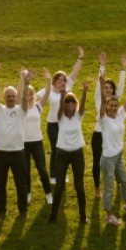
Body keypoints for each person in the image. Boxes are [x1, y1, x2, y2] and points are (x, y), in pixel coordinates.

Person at [95, 64, 126, 226]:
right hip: (108, 159)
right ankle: (109, 215)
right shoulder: (103, 119)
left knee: (125, 181)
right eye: (111, 106)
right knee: (108, 187)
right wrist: (101, 84)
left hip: (118, 155)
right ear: (107, 106)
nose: (113, 108)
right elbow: (101, 103)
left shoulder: (120, 114)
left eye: (115, 105)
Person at [0, 61, 31, 220]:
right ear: (4, 98)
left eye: (13, 96)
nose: (11, 98)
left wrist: (26, 82)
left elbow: (25, 98)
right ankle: (1, 212)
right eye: (8, 96)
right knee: (0, 185)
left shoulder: (21, 110)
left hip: (18, 153)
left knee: (21, 184)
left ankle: (23, 211)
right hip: (1, 153)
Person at [38, 47, 85, 183]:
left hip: (66, 124)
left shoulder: (68, 86)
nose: (61, 82)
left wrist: (80, 57)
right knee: (56, 150)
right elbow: (34, 98)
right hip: (53, 125)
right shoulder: (48, 91)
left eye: (63, 80)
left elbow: (75, 72)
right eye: (58, 80)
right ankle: (53, 175)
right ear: (54, 82)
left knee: (63, 150)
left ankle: (62, 174)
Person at [48, 78, 90, 224]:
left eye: (72, 101)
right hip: (62, 155)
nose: (70, 104)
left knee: (79, 186)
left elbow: (83, 105)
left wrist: (84, 93)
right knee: (59, 186)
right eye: (67, 102)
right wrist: (63, 94)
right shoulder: (60, 117)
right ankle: (53, 215)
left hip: (78, 154)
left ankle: (83, 216)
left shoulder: (78, 116)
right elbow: (60, 106)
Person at [91, 52, 126, 192]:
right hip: (98, 134)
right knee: (97, 161)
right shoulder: (98, 98)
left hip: (112, 135)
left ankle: (117, 182)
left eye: (110, 88)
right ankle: (97, 187)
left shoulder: (115, 100)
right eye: (105, 87)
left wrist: (123, 69)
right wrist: (102, 65)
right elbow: (99, 81)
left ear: (113, 90)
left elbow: (122, 86)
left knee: (115, 159)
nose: (107, 89)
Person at [23, 70, 54, 207]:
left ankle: (48, 194)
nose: (29, 96)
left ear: (33, 95)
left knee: (42, 169)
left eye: (31, 94)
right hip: (23, 143)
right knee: (26, 170)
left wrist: (48, 80)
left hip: (37, 142)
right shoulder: (20, 108)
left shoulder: (38, 106)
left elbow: (47, 94)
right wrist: (24, 80)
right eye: (26, 94)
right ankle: (28, 193)